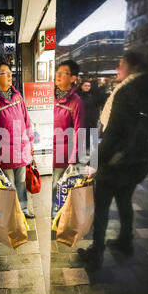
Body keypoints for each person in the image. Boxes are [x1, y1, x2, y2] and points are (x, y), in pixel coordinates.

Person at [78, 52, 148, 270]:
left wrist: (94, 161)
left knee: (101, 206)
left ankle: (96, 254)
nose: (117, 68)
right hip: (139, 161)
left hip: (117, 162)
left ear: (132, 66)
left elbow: (113, 133)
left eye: (121, 64)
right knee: (125, 200)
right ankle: (125, 241)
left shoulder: (125, 92)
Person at [0, 60, 35, 219]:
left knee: (21, 183)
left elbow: (27, 121)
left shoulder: (17, 96)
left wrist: (30, 143)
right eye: (5, 72)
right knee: (9, 185)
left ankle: (24, 209)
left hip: (21, 150)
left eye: (9, 72)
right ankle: (12, 214)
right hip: (4, 154)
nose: (10, 75)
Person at [52, 60, 84, 218]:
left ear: (72, 78)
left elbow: (79, 130)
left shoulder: (76, 101)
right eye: (57, 72)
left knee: (58, 185)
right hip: (47, 150)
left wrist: (73, 157)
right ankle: (57, 213)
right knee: (52, 185)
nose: (58, 75)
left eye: (63, 72)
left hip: (63, 152)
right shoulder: (50, 96)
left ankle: (59, 216)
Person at [77, 80, 100, 153]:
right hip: (81, 118)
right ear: (81, 86)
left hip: (91, 118)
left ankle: (88, 149)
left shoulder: (92, 96)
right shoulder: (77, 96)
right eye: (85, 86)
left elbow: (96, 107)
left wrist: (95, 117)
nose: (87, 87)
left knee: (91, 134)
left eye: (88, 86)